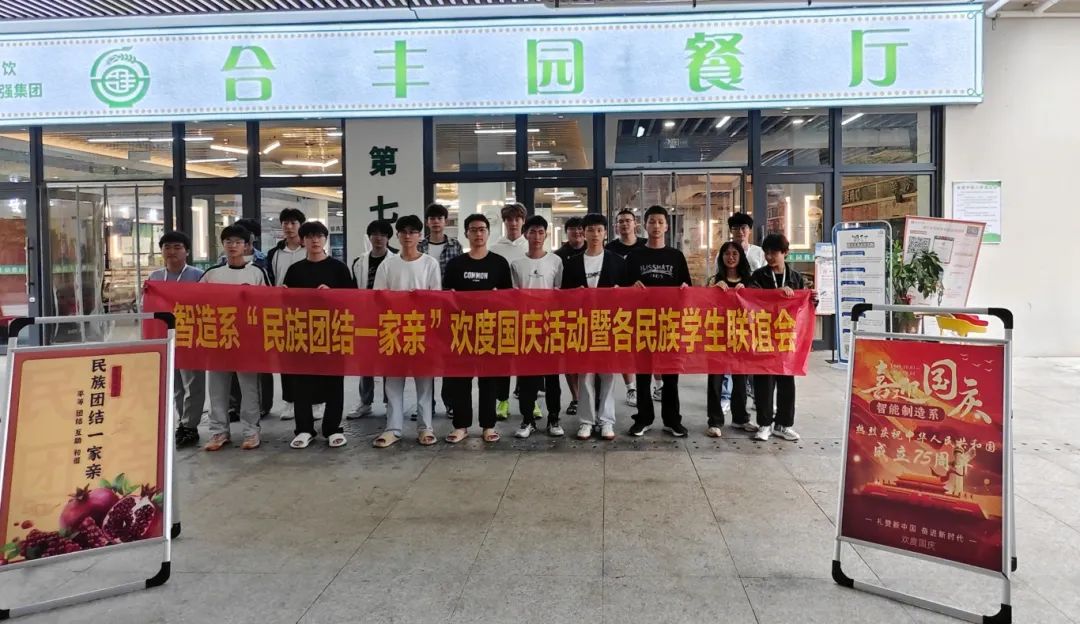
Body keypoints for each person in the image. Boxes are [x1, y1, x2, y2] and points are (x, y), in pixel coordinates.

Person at [371, 215, 442, 448]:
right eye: (404, 232)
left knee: (425, 382)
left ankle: (425, 427)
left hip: (421, 330)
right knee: (393, 382)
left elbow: (436, 298)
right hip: (394, 329)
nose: (408, 236)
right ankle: (393, 428)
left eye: (413, 232)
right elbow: (378, 297)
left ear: (420, 236)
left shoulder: (430, 264)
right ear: (398, 236)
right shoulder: (388, 264)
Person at [443, 213, 513, 444]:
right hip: (461, 330)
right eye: (473, 230)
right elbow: (446, 298)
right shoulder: (455, 265)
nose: (478, 234)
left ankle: (488, 425)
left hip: (489, 330)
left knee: (488, 380)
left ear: (488, 233)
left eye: (482, 229)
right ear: (466, 234)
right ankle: (461, 425)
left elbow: (508, 299)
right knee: (460, 380)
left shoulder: (499, 263)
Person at [284, 221, 354, 449]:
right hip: (302, 333)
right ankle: (304, 429)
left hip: (333, 331)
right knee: (301, 382)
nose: (315, 240)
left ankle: (332, 428)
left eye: (319, 236)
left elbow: (353, 300)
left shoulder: (339, 268)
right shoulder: (295, 270)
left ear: (325, 239)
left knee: (334, 381)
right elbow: (285, 303)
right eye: (309, 236)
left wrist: (333, 295)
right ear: (302, 240)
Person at [199, 225, 269, 451]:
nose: (233, 246)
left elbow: (268, 303)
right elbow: (194, 301)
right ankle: (218, 431)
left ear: (247, 246)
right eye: (228, 241)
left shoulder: (257, 273)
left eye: (238, 242)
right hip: (218, 338)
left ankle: (251, 431)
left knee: (249, 388)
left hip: (247, 340)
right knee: (217, 388)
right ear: (223, 245)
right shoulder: (211, 274)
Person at [625, 205, 693, 438]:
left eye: (660, 222)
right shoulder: (635, 256)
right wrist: (631, 287)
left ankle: (672, 420)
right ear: (644, 225)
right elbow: (622, 289)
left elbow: (687, 287)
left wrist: (684, 288)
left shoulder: (676, 256)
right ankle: (643, 418)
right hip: (642, 322)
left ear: (666, 226)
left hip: (669, 322)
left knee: (671, 373)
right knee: (643, 373)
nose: (656, 226)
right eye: (652, 221)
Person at [563, 213, 626, 441]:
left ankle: (606, 420)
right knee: (585, 373)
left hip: (609, 324)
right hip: (582, 325)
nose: (595, 234)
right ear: (584, 233)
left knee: (608, 373)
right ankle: (586, 421)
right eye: (590, 230)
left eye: (599, 230)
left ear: (605, 233)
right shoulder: (572, 263)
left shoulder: (617, 261)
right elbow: (564, 296)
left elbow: (628, 294)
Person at [748, 233, 816, 443]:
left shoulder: (795, 278)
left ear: (785, 253)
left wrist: (813, 300)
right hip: (764, 335)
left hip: (787, 336)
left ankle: (783, 424)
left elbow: (803, 306)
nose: (769, 257)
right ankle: (764, 424)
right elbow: (752, 298)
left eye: (774, 253)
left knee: (787, 381)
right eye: (766, 253)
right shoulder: (758, 276)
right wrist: (776, 293)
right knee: (764, 381)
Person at [147, 231, 205, 448]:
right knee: (175, 383)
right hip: (165, 337)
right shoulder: (154, 278)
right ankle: (182, 421)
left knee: (193, 382)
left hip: (191, 336)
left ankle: (191, 425)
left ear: (187, 251)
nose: (172, 251)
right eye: (167, 247)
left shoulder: (198, 276)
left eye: (177, 247)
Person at [510, 215, 564, 438]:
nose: (537, 236)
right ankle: (527, 419)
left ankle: (554, 418)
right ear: (525, 235)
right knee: (527, 378)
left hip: (550, 327)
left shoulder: (555, 261)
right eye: (532, 232)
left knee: (552, 377)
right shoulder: (516, 264)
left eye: (541, 232)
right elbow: (512, 297)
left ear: (546, 235)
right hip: (526, 328)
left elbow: (561, 295)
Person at [704, 241, 755, 438]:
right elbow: (702, 305)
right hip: (717, 336)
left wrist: (746, 293)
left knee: (741, 379)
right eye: (727, 253)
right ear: (721, 257)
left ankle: (740, 418)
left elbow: (758, 308)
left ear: (740, 256)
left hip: (742, 335)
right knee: (716, 380)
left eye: (735, 253)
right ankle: (715, 421)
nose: (731, 257)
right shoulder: (714, 280)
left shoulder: (750, 281)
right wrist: (712, 290)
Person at [419, 202, 463, 418]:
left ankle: (451, 402)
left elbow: (460, 273)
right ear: (427, 222)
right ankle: (426, 403)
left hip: (448, 308)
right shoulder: (419, 246)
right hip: (423, 309)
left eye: (440, 218)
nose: (436, 222)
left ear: (446, 221)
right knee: (425, 355)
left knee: (448, 355)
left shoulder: (455, 245)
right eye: (432, 218)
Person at [348, 219, 396, 418]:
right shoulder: (359, 262)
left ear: (389, 238)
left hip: (388, 317)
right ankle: (365, 402)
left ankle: (390, 402)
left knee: (388, 361)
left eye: (383, 235)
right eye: (375, 234)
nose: (379, 238)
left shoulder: (396, 260)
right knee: (365, 361)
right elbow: (352, 291)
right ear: (369, 237)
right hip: (365, 317)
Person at [229, 218, 274, 422]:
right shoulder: (223, 261)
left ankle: (263, 404)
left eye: (241, 237)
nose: (235, 244)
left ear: (252, 238)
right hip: (232, 319)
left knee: (261, 364)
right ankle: (234, 405)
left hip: (258, 319)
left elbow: (270, 289)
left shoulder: (263, 260)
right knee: (233, 364)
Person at [265, 208, 307, 422]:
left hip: (308, 312)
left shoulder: (309, 249)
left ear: (301, 225)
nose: (289, 227)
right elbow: (270, 281)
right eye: (285, 223)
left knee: (310, 358)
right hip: (282, 313)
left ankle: (314, 402)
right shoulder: (274, 253)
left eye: (293, 223)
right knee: (286, 358)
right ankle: (290, 401)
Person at [489, 203, 528, 421]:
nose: (513, 223)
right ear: (504, 222)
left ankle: (529, 399)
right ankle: (502, 400)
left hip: (528, 312)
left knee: (527, 357)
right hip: (502, 312)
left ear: (523, 221)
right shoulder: (495, 248)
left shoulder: (531, 244)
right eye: (509, 219)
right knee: (503, 358)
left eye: (517, 219)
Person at [605, 208, 646, 408]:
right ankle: (631, 388)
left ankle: (657, 385)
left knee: (648, 346)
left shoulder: (645, 245)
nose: (624, 224)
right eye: (620, 221)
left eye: (628, 221)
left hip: (644, 305)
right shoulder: (610, 249)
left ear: (635, 223)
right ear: (615, 226)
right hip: (620, 306)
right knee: (624, 347)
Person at [554, 216, 586, 417]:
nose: (577, 232)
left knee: (589, 361)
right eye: (572, 229)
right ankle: (575, 398)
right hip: (567, 315)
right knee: (570, 360)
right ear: (567, 233)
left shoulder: (595, 251)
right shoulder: (558, 257)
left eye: (580, 229)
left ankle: (590, 398)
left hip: (593, 316)